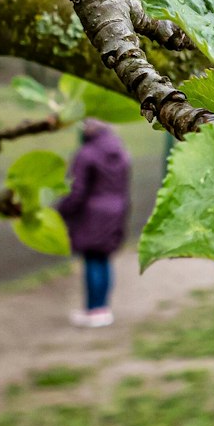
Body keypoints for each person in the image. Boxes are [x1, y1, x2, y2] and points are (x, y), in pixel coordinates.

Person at [55, 119, 132, 328]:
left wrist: (60, 210)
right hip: (117, 209)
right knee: (103, 259)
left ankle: (94, 310)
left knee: (92, 260)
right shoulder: (120, 150)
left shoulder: (86, 153)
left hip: (92, 213)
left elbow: (76, 190)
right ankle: (102, 307)